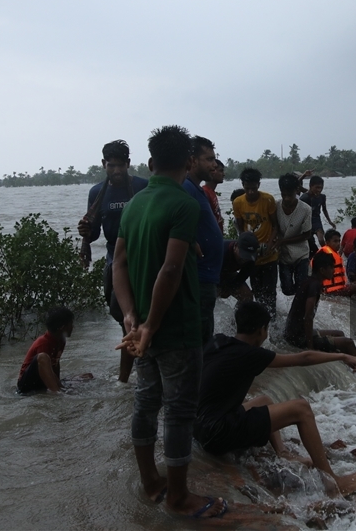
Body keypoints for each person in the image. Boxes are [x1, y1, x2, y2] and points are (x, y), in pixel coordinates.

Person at [114, 125, 227, 519]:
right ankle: (179, 497)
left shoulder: (134, 204)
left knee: (146, 401)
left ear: (149, 162)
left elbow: (119, 264)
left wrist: (132, 318)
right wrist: (154, 323)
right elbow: (171, 269)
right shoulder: (184, 204)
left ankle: (150, 484)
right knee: (179, 410)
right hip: (175, 325)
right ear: (188, 162)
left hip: (141, 324)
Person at [195, 301, 356, 495]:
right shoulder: (250, 354)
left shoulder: (218, 341)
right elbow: (304, 359)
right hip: (218, 433)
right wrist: (342, 357)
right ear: (261, 330)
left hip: (201, 427)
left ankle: (283, 453)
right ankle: (333, 483)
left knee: (264, 400)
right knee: (301, 409)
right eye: (266, 329)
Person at [77, 139, 149, 383]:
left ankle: (145, 373)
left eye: (120, 166)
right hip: (115, 262)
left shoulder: (142, 187)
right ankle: (125, 381)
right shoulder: (97, 193)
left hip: (144, 260)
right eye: (111, 166)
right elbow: (95, 233)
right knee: (126, 324)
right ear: (103, 164)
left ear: (128, 164)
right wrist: (86, 231)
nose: (116, 171)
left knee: (148, 319)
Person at [283, 252, 356, 372]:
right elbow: (308, 317)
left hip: (293, 332)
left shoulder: (309, 281)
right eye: (331, 268)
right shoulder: (314, 286)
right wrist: (310, 347)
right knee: (348, 343)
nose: (334, 271)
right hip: (298, 337)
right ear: (322, 270)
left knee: (339, 333)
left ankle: (349, 366)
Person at [183, 136, 224, 345]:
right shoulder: (187, 188)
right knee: (199, 339)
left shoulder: (196, 188)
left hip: (207, 276)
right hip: (198, 277)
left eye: (214, 159)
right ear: (193, 160)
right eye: (209, 159)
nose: (214, 164)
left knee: (205, 333)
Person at [232, 168, 279, 320]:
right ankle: (260, 320)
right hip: (252, 256)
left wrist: (270, 244)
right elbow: (240, 227)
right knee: (257, 291)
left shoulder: (268, 200)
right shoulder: (238, 202)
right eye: (247, 188)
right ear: (243, 185)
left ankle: (272, 322)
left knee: (270, 292)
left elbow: (275, 225)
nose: (251, 192)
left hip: (270, 256)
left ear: (258, 185)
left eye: (254, 188)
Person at [17, 307, 91, 393]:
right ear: (62, 327)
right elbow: (46, 367)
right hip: (26, 386)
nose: (73, 327)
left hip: (43, 381)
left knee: (87, 376)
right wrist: (60, 389)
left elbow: (55, 363)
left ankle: (57, 389)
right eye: (71, 323)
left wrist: (61, 382)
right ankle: (57, 393)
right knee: (43, 357)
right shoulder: (43, 342)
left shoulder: (61, 340)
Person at [275, 173, 313, 296]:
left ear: (297, 191)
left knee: (301, 288)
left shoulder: (305, 209)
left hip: (301, 254)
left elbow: (307, 234)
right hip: (284, 256)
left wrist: (283, 241)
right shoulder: (276, 206)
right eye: (283, 194)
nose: (286, 198)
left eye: (289, 195)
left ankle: (299, 310)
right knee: (286, 290)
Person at [313, 229, 356, 299]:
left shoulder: (333, 253)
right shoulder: (325, 255)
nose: (338, 244)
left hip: (337, 288)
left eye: (339, 241)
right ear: (327, 242)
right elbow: (315, 273)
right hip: (331, 291)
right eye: (335, 241)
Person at [300, 175, 336, 255]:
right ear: (310, 186)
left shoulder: (322, 197)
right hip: (306, 221)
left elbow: (324, 209)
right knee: (309, 242)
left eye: (321, 188)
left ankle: (328, 254)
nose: (319, 190)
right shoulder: (304, 198)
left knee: (321, 240)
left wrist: (330, 221)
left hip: (316, 219)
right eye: (317, 187)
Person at [218, 232, 259, 302]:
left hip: (229, 273)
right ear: (235, 246)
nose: (245, 260)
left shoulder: (251, 259)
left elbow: (240, 278)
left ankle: (239, 312)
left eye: (247, 257)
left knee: (247, 297)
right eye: (243, 255)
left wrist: (230, 289)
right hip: (211, 272)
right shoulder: (221, 251)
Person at [202, 159, 225, 233]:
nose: (223, 174)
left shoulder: (211, 192)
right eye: (221, 171)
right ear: (213, 172)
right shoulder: (205, 193)